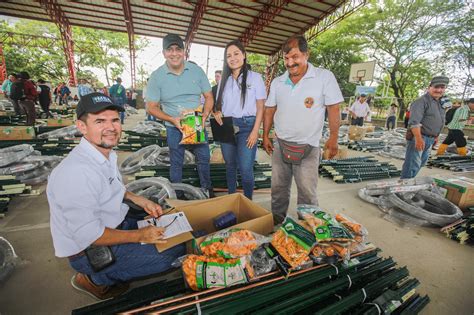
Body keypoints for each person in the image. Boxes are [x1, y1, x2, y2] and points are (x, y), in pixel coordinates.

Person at [47, 92, 185, 301]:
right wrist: (141, 236)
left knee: (177, 230)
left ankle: (125, 258)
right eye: (99, 121)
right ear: (82, 127)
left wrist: (139, 199)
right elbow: (89, 234)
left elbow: (110, 186)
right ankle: (96, 279)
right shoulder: (75, 173)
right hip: (90, 248)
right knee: (170, 256)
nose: (110, 128)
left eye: (114, 120)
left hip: (113, 222)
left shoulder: (104, 154)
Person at [263, 35, 343, 225]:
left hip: (309, 147)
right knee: (278, 189)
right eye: (286, 58)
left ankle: (308, 227)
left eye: (295, 57)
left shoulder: (324, 77)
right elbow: (269, 110)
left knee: (307, 192)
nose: (290, 63)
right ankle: (276, 222)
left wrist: (333, 138)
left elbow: (334, 108)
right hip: (281, 145)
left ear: (307, 54)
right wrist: (265, 135)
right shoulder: (278, 82)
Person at [145, 34, 214, 197]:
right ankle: (178, 195)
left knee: (203, 159)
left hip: (196, 123)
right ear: (164, 53)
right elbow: (151, 107)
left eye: (178, 49)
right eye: (170, 50)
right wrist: (171, 119)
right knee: (176, 162)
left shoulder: (196, 71)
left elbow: (209, 96)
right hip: (173, 126)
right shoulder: (156, 77)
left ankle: (207, 190)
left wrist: (204, 116)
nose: (174, 53)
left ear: (184, 52)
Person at [213, 40, 266, 200]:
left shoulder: (255, 78)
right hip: (227, 126)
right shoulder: (223, 80)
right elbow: (218, 106)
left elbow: (261, 107)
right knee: (230, 165)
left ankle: (247, 202)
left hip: (247, 127)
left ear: (244, 55)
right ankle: (231, 199)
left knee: (245, 168)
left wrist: (255, 131)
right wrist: (216, 112)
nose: (233, 58)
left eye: (236, 53)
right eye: (228, 55)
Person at [400, 76, 449, 179]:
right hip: (419, 137)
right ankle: (403, 188)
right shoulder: (421, 101)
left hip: (430, 139)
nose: (439, 90)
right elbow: (414, 123)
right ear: (429, 87)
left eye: (442, 88)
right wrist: (418, 139)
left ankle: (408, 184)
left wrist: (435, 136)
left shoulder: (440, 102)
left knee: (421, 163)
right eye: (436, 87)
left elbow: (437, 121)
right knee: (412, 165)